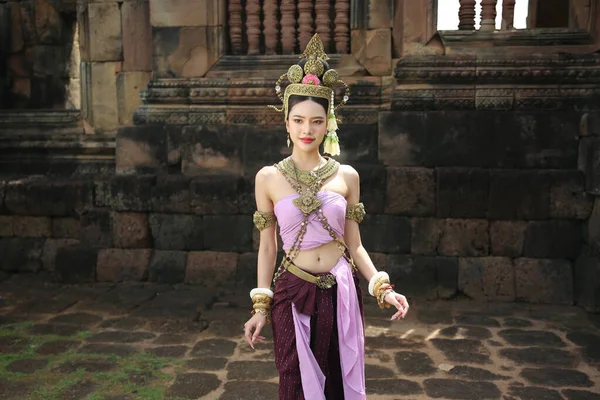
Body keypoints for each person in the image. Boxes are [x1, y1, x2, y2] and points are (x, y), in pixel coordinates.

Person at [243, 34, 409, 400]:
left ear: (328, 124)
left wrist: (383, 287)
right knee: (294, 378)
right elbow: (268, 249)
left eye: (316, 121)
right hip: (292, 290)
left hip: (340, 290)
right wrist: (260, 306)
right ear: (285, 122)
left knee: (335, 378)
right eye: (298, 120)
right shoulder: (268, 178)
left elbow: (355, 245)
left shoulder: (347, 176)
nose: (307, 130)